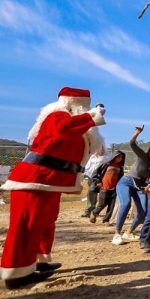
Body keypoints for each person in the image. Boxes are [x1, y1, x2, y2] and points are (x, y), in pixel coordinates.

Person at [0, 87, 106, 288]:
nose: (87, 109)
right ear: (73, 103)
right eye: (85, 106)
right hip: (35, 177)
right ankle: (16, 272)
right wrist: (91, 117)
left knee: (46, 221)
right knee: (27, 224)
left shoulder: (76, 123)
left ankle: (39, 261)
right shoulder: (57, 116)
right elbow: (62, 129)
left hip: (50, 181)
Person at [113, 126, 150, 246]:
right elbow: (132, 143)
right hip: (127, 181)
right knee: (125, 204)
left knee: (142, 212)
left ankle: (128, 232)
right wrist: (137, 133)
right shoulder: (143, 156)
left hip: (140, 186)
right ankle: (116, 234)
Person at [90, 151, 126, 224]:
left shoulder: (120, 168)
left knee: (111, 206)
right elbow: (95, 173)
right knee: (102, 204)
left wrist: (120, 186)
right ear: (114, 156)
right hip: (104, 187)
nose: (120, 158)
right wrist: (98, 182)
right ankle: (94, 212)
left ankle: (106, 220)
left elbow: (121, 178)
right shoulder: (106, 164)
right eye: (118, 156)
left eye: (121, 157)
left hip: (115, 188)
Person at [81, 151, 104, 218]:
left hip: (101, 178)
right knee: (91, 193)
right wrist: (84, 175)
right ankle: (89, 211)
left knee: (103, 195)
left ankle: (97, 211)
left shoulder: (105, 157)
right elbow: (87, 167)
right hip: (91, 177)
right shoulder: (91, 156)